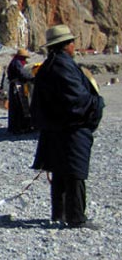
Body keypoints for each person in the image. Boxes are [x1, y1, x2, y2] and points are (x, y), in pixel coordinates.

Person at [31, 24, 105, 229]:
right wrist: (97, 104)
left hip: (57, 128)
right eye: (72, 42)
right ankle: (75, 217)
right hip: (70, 128)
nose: (74, 45)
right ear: (66, 45)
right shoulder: (62, 66)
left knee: (61, 171)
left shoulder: (51, 65)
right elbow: (76, 98)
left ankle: (60, 212)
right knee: (75, 172)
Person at [7, 48, 35, 133]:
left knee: (17, 106)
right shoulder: (17, 63)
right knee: (20, 105)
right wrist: (32, 78)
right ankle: (21, 127)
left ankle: (17, 127)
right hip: (17, 85)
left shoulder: (15, 62)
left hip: (16, 85)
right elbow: (22, 74)